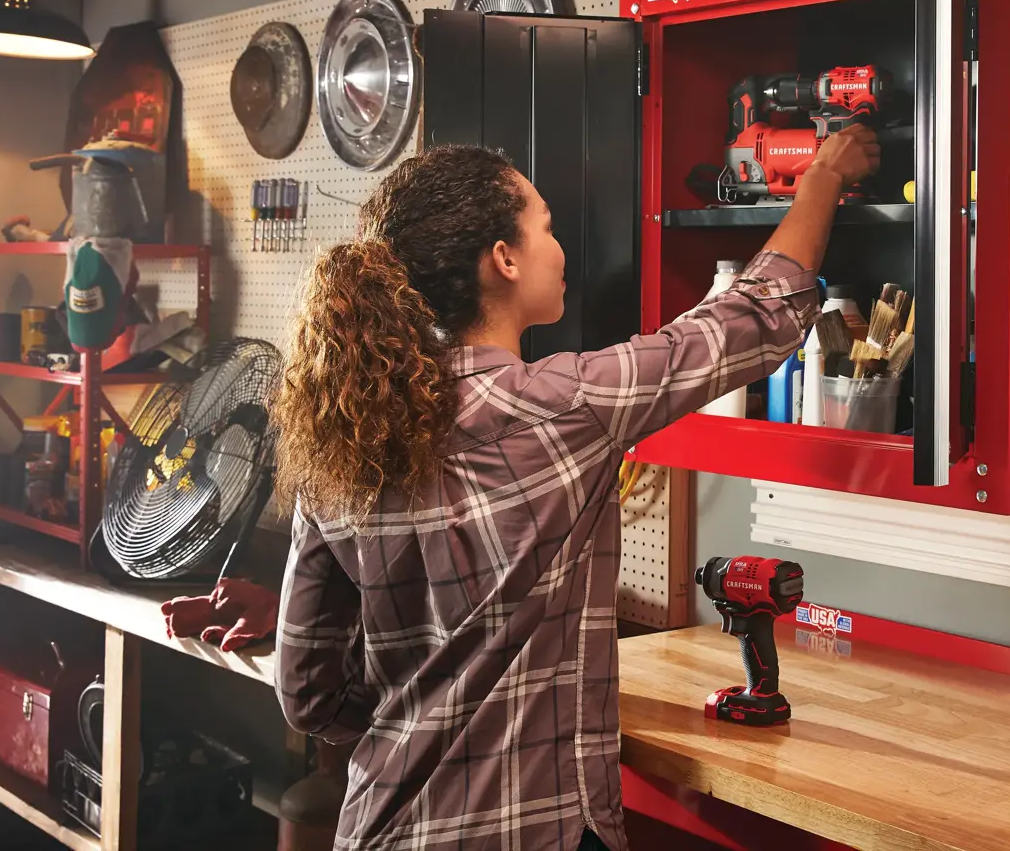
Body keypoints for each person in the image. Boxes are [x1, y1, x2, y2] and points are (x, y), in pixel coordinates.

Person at [272, 126, 880, 851]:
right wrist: (823, 179)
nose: (559, 249)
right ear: (503, 260)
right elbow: (753, 317)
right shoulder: (564, 407)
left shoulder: (344, 440)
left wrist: (427, 707)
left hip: (383, 827)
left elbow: (308, 693)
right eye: (546, 227)